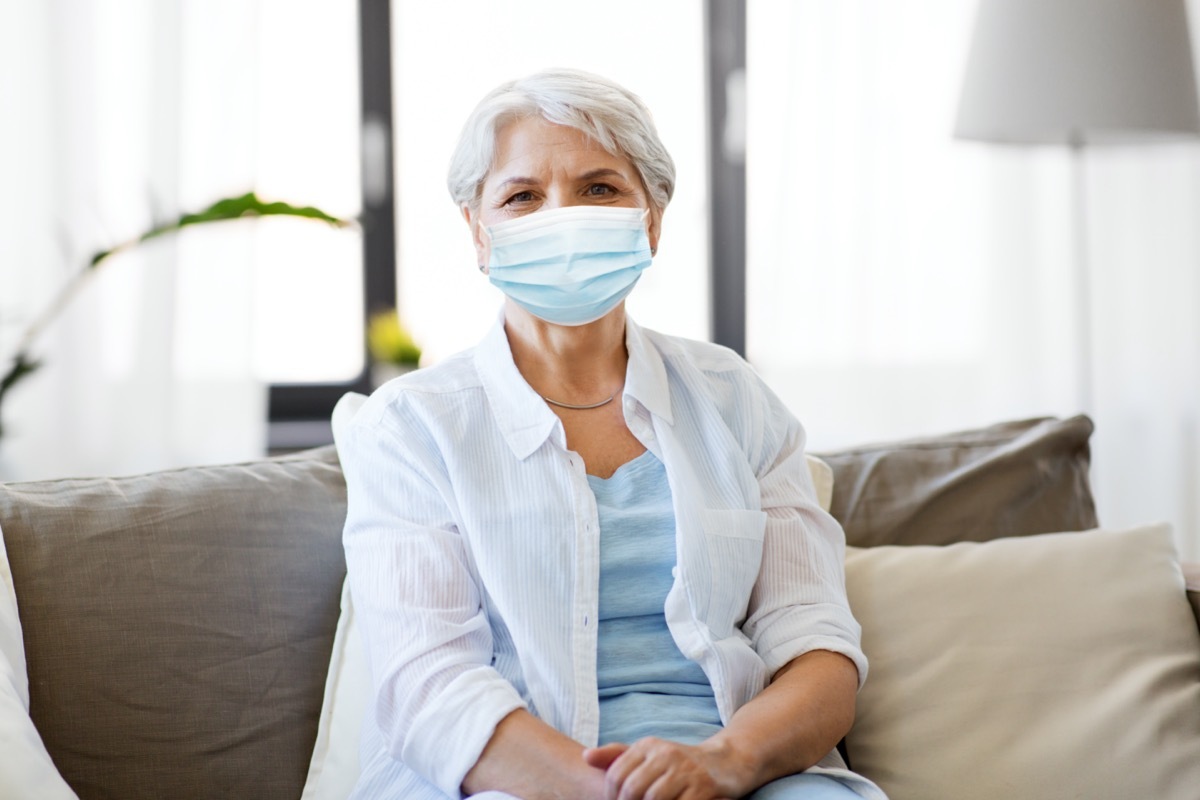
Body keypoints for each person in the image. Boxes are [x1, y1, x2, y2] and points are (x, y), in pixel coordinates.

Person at [338, 68, 887, 800]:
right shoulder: (410, 427)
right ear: (478, 232)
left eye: (599, 188)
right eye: (522, 196)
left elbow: (816, 646)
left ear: (651, 221)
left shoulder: (734, 399)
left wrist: (725, 764)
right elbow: (429, 685)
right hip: (509, 782)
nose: (561, 218)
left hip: (733, 773)